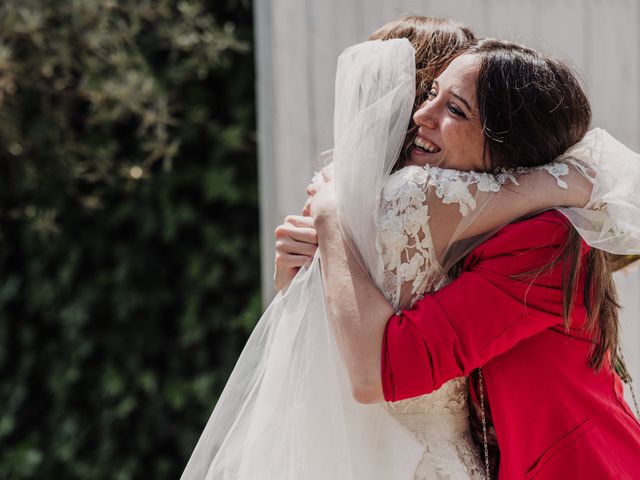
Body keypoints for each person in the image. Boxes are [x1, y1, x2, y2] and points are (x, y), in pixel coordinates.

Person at [301, 38, 640, 479]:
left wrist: (331, 215)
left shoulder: (544, 241)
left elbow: (377, 372)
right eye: (430, 95)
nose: (422, 116)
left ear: (508, 148)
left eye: (455, 110)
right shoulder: (469, 214)